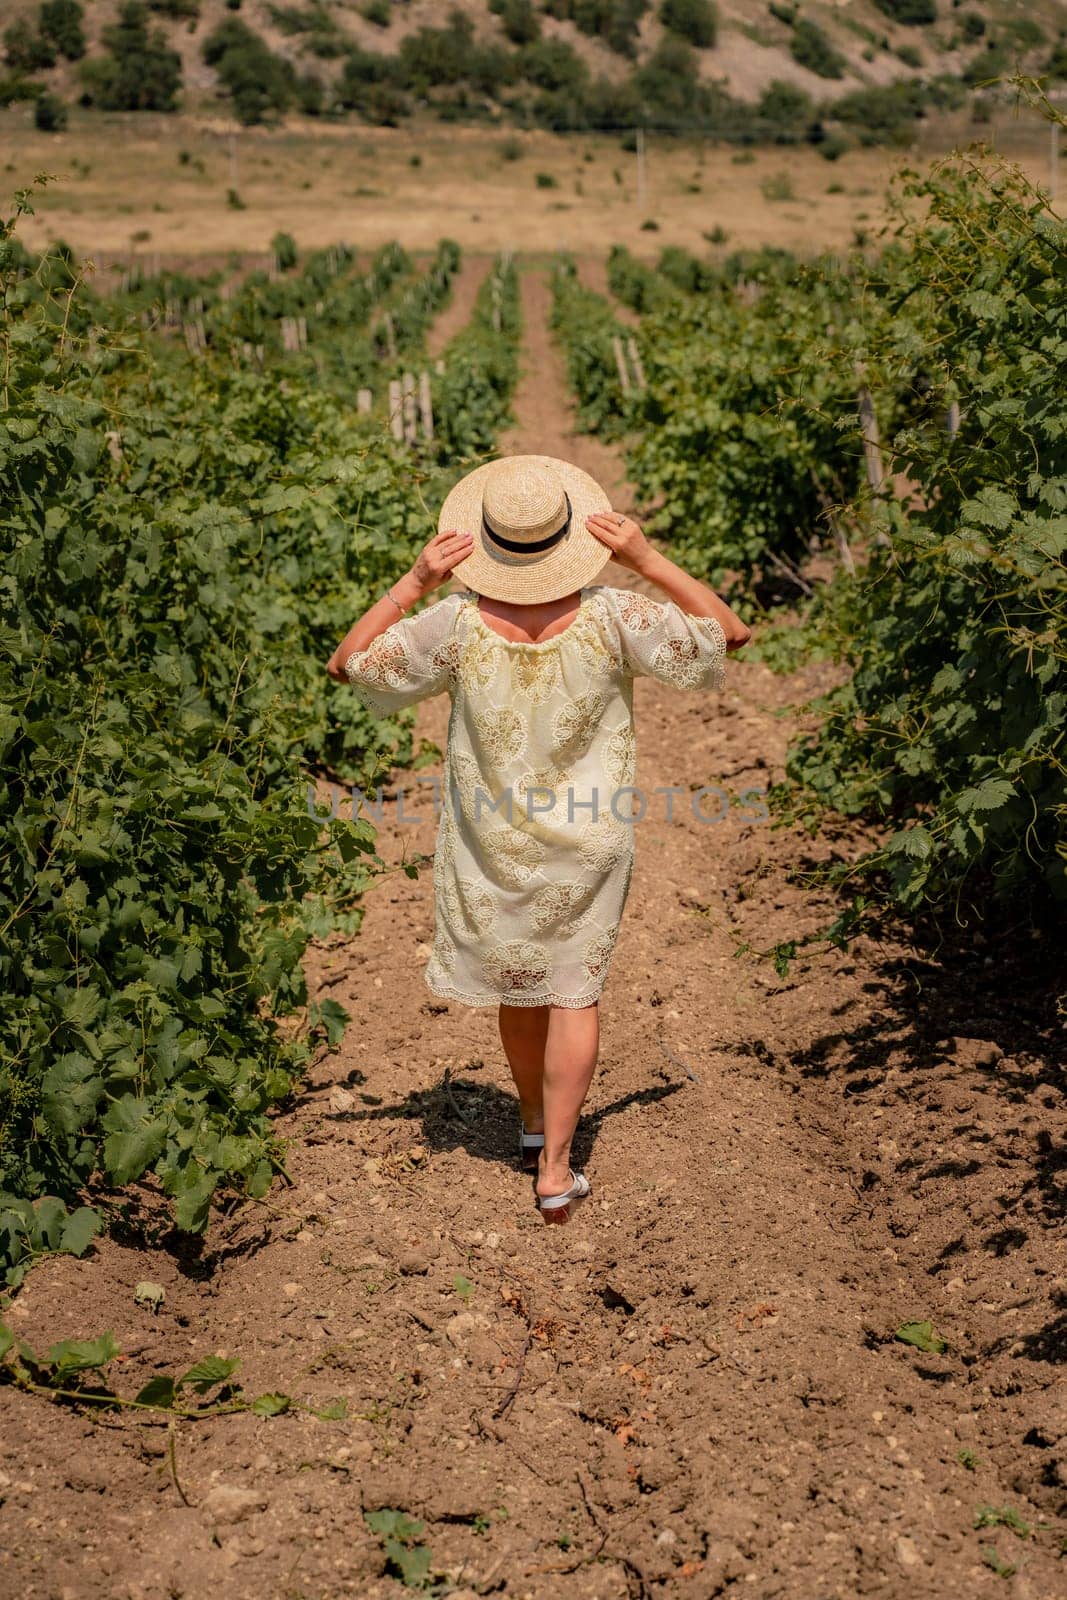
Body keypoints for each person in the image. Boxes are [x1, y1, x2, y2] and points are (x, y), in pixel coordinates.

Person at [326, 455, 751, 1222]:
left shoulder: (453, 624)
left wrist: (415, 579)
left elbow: (347, 663)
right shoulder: (616, 614)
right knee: (574, 991)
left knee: (519, 982)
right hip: (591, 838)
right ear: (572, 538)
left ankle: (528, 1125)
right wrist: (646, 559)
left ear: (484, 540)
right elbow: (728, 634)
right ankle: (555, 1169)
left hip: (492, 843)